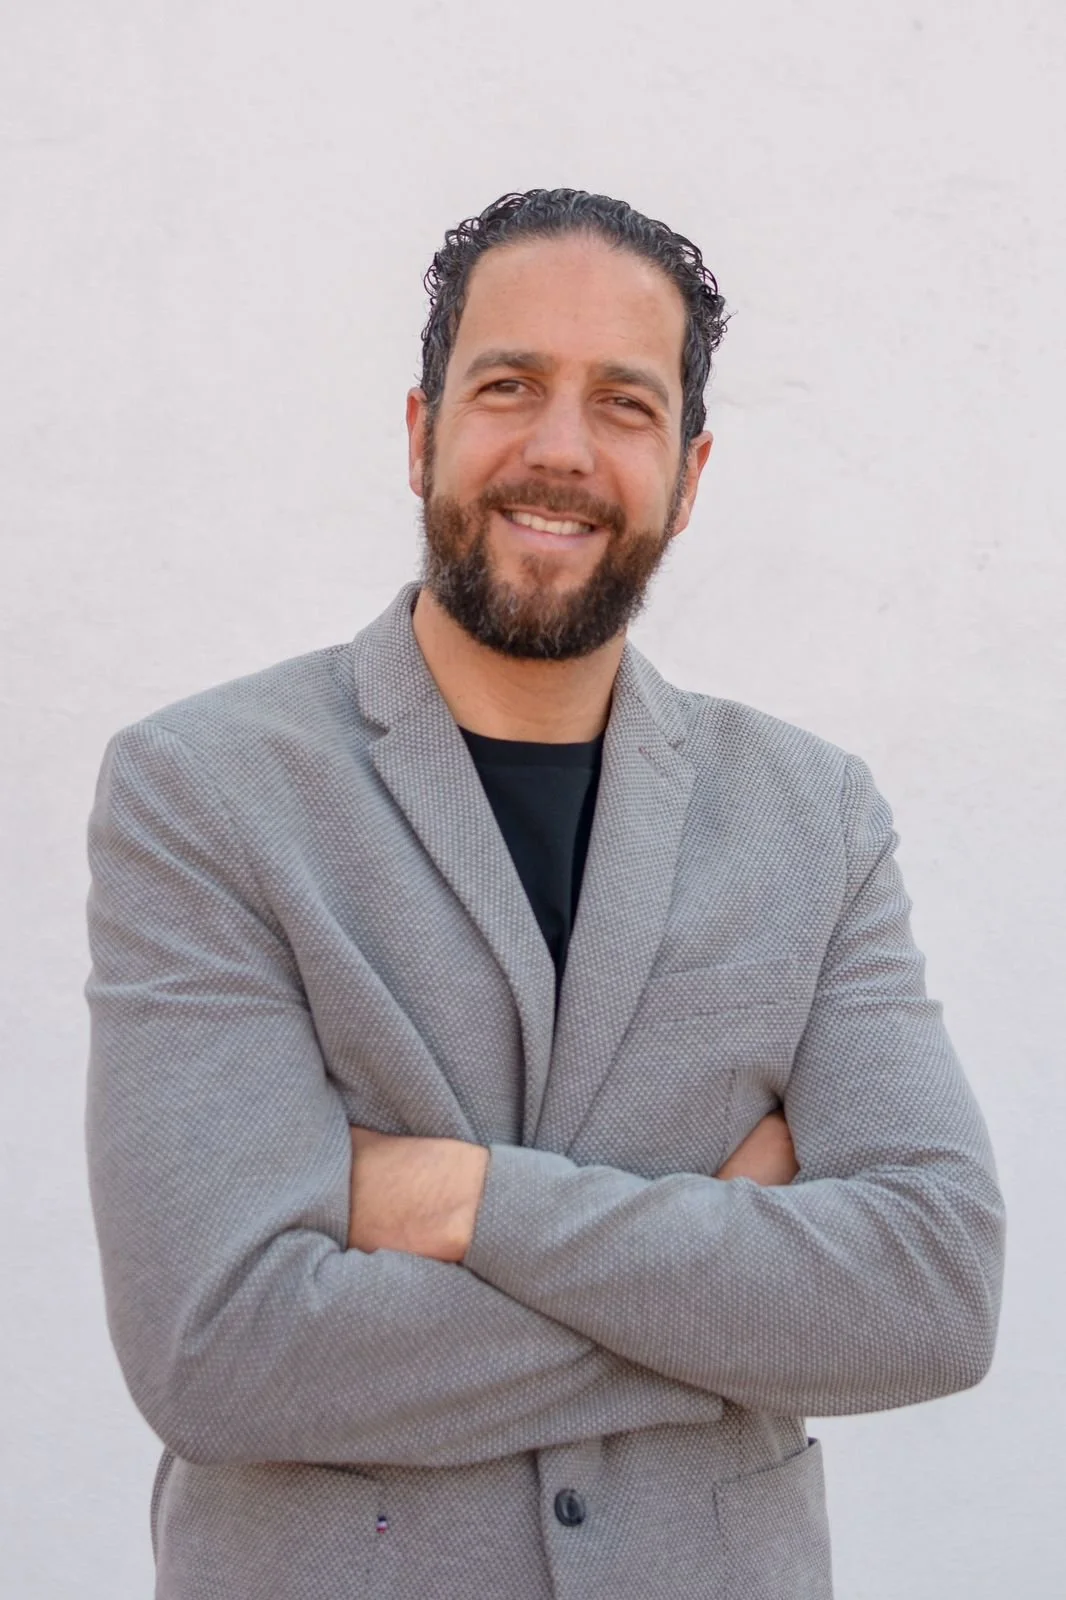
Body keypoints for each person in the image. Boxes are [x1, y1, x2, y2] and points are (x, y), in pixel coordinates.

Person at [84, 188, 1005, 1600]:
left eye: (622, 406)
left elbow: (929, 1294)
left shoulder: (812, 817)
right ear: (420, 433)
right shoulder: (204, 793)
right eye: (508, 387)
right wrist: (724, 1282)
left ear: (688, 474)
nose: (561, 451)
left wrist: (462, 1201)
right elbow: (223, 1352)